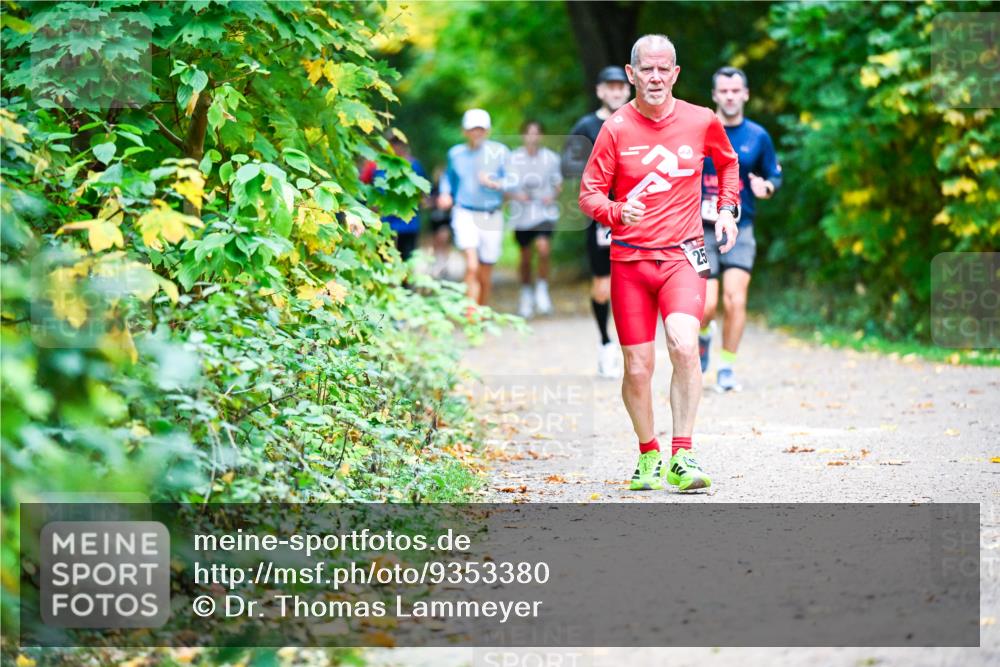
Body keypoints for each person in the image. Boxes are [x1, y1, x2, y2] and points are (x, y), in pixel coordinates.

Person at [578, 35, 740, 492]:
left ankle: (682, 455)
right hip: (629, 260)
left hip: (683, 255)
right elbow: (589, 194)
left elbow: (728, 166)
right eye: (645, 70)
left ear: (675, 74)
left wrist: (727, 209)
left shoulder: (701, 120)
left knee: (685, 344)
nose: (654, 77)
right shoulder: (615, 128)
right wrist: (615, 212)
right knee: (636, 367)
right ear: (631, 75)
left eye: (662, 69)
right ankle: (648, 454)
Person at [699, 66, 782, 391]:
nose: (730, 96)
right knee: (705, 306)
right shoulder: (701, 131)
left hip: (740, 226)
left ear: (745, 94)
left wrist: (768, 187)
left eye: (736, 91)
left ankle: (727, 369)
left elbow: (774, 175)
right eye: (724, 91)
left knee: (735, 300)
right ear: (715, 95)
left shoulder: (757, 136)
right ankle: (704, 335)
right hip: (701, 228)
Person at [568, 66, 632, 377]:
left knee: (636, 283)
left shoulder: (640, 120)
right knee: (602, 285)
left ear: (629, 89)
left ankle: (633, 348)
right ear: (600, 91)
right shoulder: (586, 125)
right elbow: (568, 166)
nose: (617, 91)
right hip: (602, 216)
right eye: (610, 86)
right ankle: (606, 343)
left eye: (621, 86)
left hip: (639, 213)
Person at [437, 108, 509, 306]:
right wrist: (445, 193)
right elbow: (447, 179)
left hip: (491, 214)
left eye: (481, 129)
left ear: (487, 131)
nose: (477, 133)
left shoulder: (500, 152)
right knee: (471, 265)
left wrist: (496, 183)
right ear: (464, 131)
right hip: (464, 212)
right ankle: (471, 314)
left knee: (485, 272)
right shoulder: (456, 154)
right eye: (472, 129)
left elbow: (514, 179)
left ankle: (482, 309)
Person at [507, 120, 563, 318]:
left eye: (536, 133)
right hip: (522, 214)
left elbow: (558, 184)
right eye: (529, 132)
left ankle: (542, 289)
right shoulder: (512, 159)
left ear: (541, 136)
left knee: (543, 249)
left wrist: (552, 195)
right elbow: (507, 188)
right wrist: (516, 196)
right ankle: (526, 293)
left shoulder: (551, 158)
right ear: (523, 135)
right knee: (525, 256)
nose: (533, 136)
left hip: (544, 212)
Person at [359, 132, 426, 262]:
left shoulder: (413, 166)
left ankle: (404, 282)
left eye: (398, 143)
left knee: (406, 261)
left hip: (407, 224)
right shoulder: (377, 165)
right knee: (383, 259)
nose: (396, 147)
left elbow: (422, 194)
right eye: (392, 143)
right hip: (384, 223)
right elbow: (366, 188)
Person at [426, 165, 453, 278]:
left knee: (444, 239)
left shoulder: (449, 190)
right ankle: (436, 263)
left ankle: (444, 264)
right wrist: (433, 202)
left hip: (445, 220)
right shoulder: (433, 189)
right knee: (435, 243)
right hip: (434, 219)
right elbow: (426, 203)